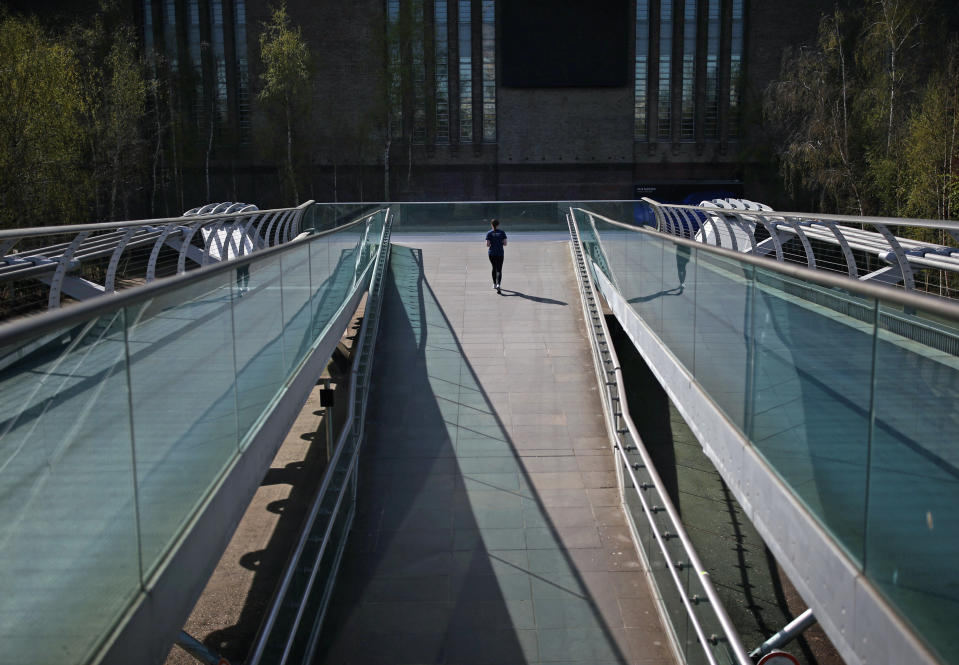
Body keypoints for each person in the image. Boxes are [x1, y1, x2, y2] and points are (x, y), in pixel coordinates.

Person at [486, 218, 507, 291]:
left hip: (492, 253)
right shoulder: (502, 232)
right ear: (498, 225)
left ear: (491, 225)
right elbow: (505, 243)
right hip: (500, 253)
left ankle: (494, 284)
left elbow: (488, 245)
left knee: (493, 268)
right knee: (499, 269)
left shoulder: (489, 233)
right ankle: (499, 284)